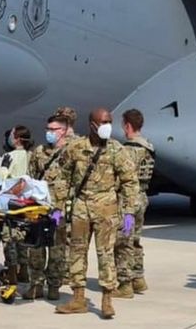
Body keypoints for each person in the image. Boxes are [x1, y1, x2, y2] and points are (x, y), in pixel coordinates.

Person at [55, 108, 139, 319]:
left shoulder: (116, 150)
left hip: (106, 208)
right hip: (81, 206)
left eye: (109, 122)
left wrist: (129, 212)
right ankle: (78, 298)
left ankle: (107, 300)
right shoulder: (76, 148)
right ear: (92, 124)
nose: (107, 126)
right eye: (103, 122)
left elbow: (130, 181)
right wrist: (57, 207)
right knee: (77, 252)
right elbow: (62, 177)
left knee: (105, 254)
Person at [23, 115, 70, 301]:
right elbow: (31, 178)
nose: (49, 132)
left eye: (54, 129)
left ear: (64, 131)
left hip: (59, 209)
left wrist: (65, 206)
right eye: (48, 129)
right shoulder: (39, 152)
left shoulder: (70, 153)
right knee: (36, 247)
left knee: (57, 249)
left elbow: (76, 182)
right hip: (39, 207)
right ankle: (36, 284)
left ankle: (54, 285)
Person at [113, 109, 155, 298]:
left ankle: (125, 284)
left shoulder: (128, 150)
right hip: (142, 198)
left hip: (128, 202)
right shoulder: (148, 147)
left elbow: (121, 177)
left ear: (127, 125)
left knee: (123, 241)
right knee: (135, 239)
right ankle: (138, 278)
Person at [0, 125, 34, 283]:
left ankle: (11, 272)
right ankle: (24, 270)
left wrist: (3, 168)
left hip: (12, 201)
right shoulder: (31, 155)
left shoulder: (10, 156)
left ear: (17, 138)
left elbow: (1, 179)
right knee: (22, 236)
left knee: (9, 237)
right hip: (28, 202)